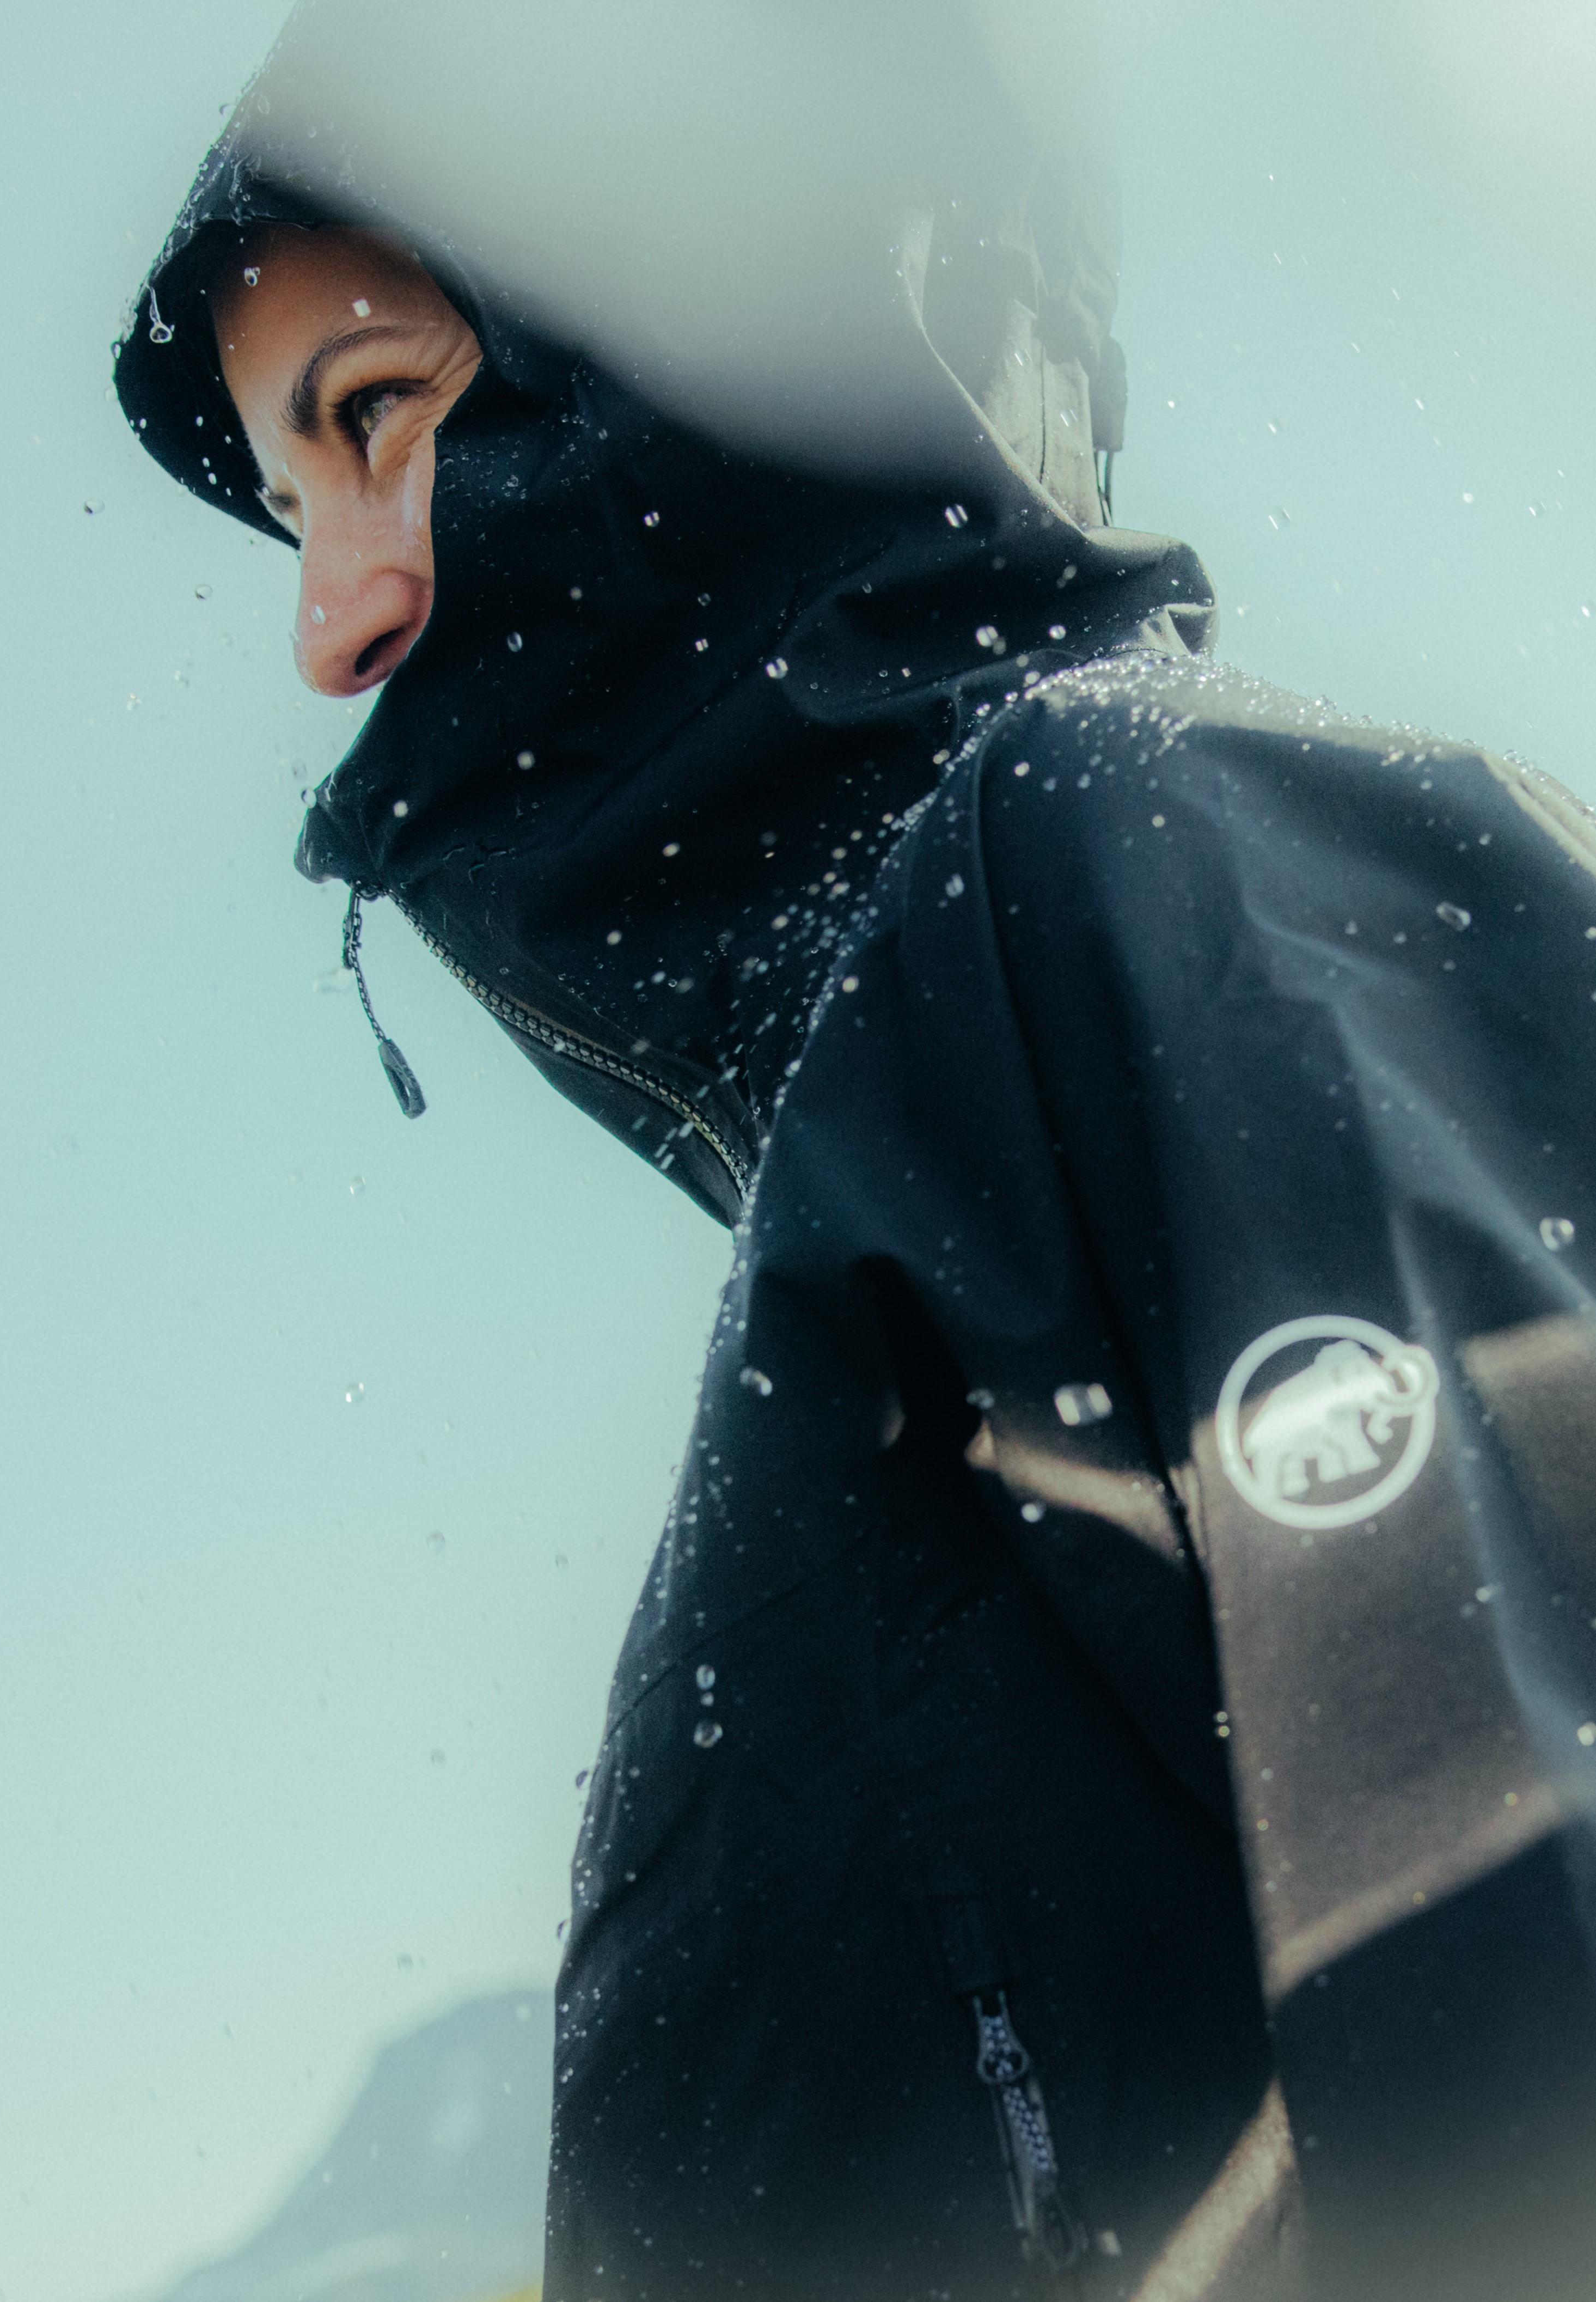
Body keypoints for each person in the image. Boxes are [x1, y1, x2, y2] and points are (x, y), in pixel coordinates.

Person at [116, 16, 1596, 2301]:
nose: (334, 626)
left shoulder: (1162, 878)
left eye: (379, 415)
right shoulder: (888, 1242)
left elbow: (1535, 1964)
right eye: (295, 501)